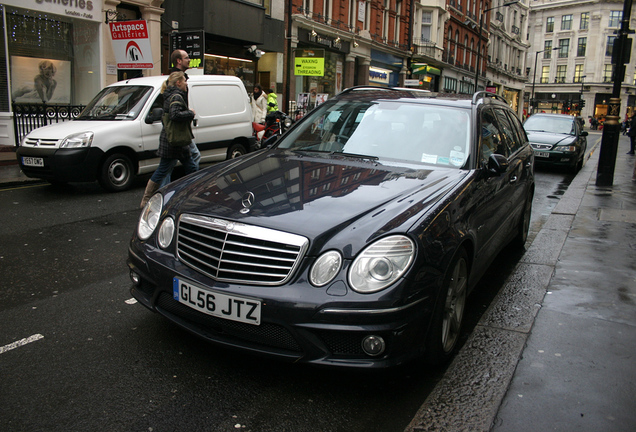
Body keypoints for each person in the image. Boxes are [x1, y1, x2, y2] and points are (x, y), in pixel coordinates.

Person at [140, 72, 197, 208]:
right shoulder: (176, 96)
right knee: (163, 169)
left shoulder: (169, 94)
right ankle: (146, 199)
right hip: (174, 141)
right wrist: (191, 113)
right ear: (178, 83)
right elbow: (174, 114)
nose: (186, 83)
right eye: (184, 81)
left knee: (191, 167)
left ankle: (191, 194)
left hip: (177, 140)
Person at [165, 49, 200, 184]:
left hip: (178, 130)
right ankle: (189, 186)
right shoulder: (175, 81)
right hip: (177, 131)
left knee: (168, 165)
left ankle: (183, 186)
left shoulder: (178, 78)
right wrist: (189, 113)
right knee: (168, 166)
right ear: (179, 61)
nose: (189, 59)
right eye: (186, 57)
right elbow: (174, 111)